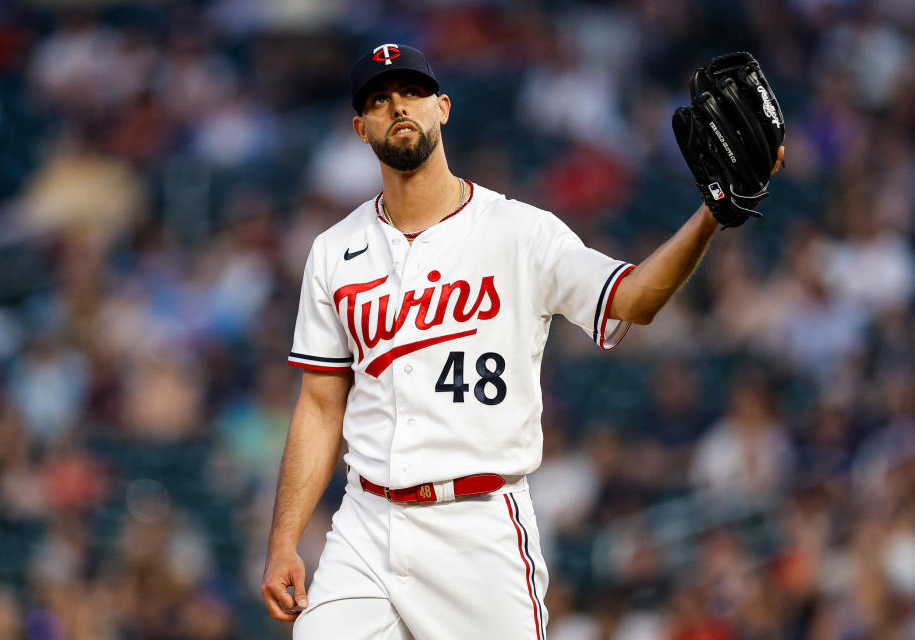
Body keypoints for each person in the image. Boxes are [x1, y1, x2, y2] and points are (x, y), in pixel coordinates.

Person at [260, 43, 783, 639]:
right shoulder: (334, 251)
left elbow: (633, 299)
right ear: (360, 128)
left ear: (444, 108)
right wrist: (283, 541)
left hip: (478, 526)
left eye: (411, 92)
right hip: (366, 519)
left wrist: (711, 215)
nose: (397, 106)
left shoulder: (520, 231)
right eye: (378, 100)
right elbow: (321, 405)